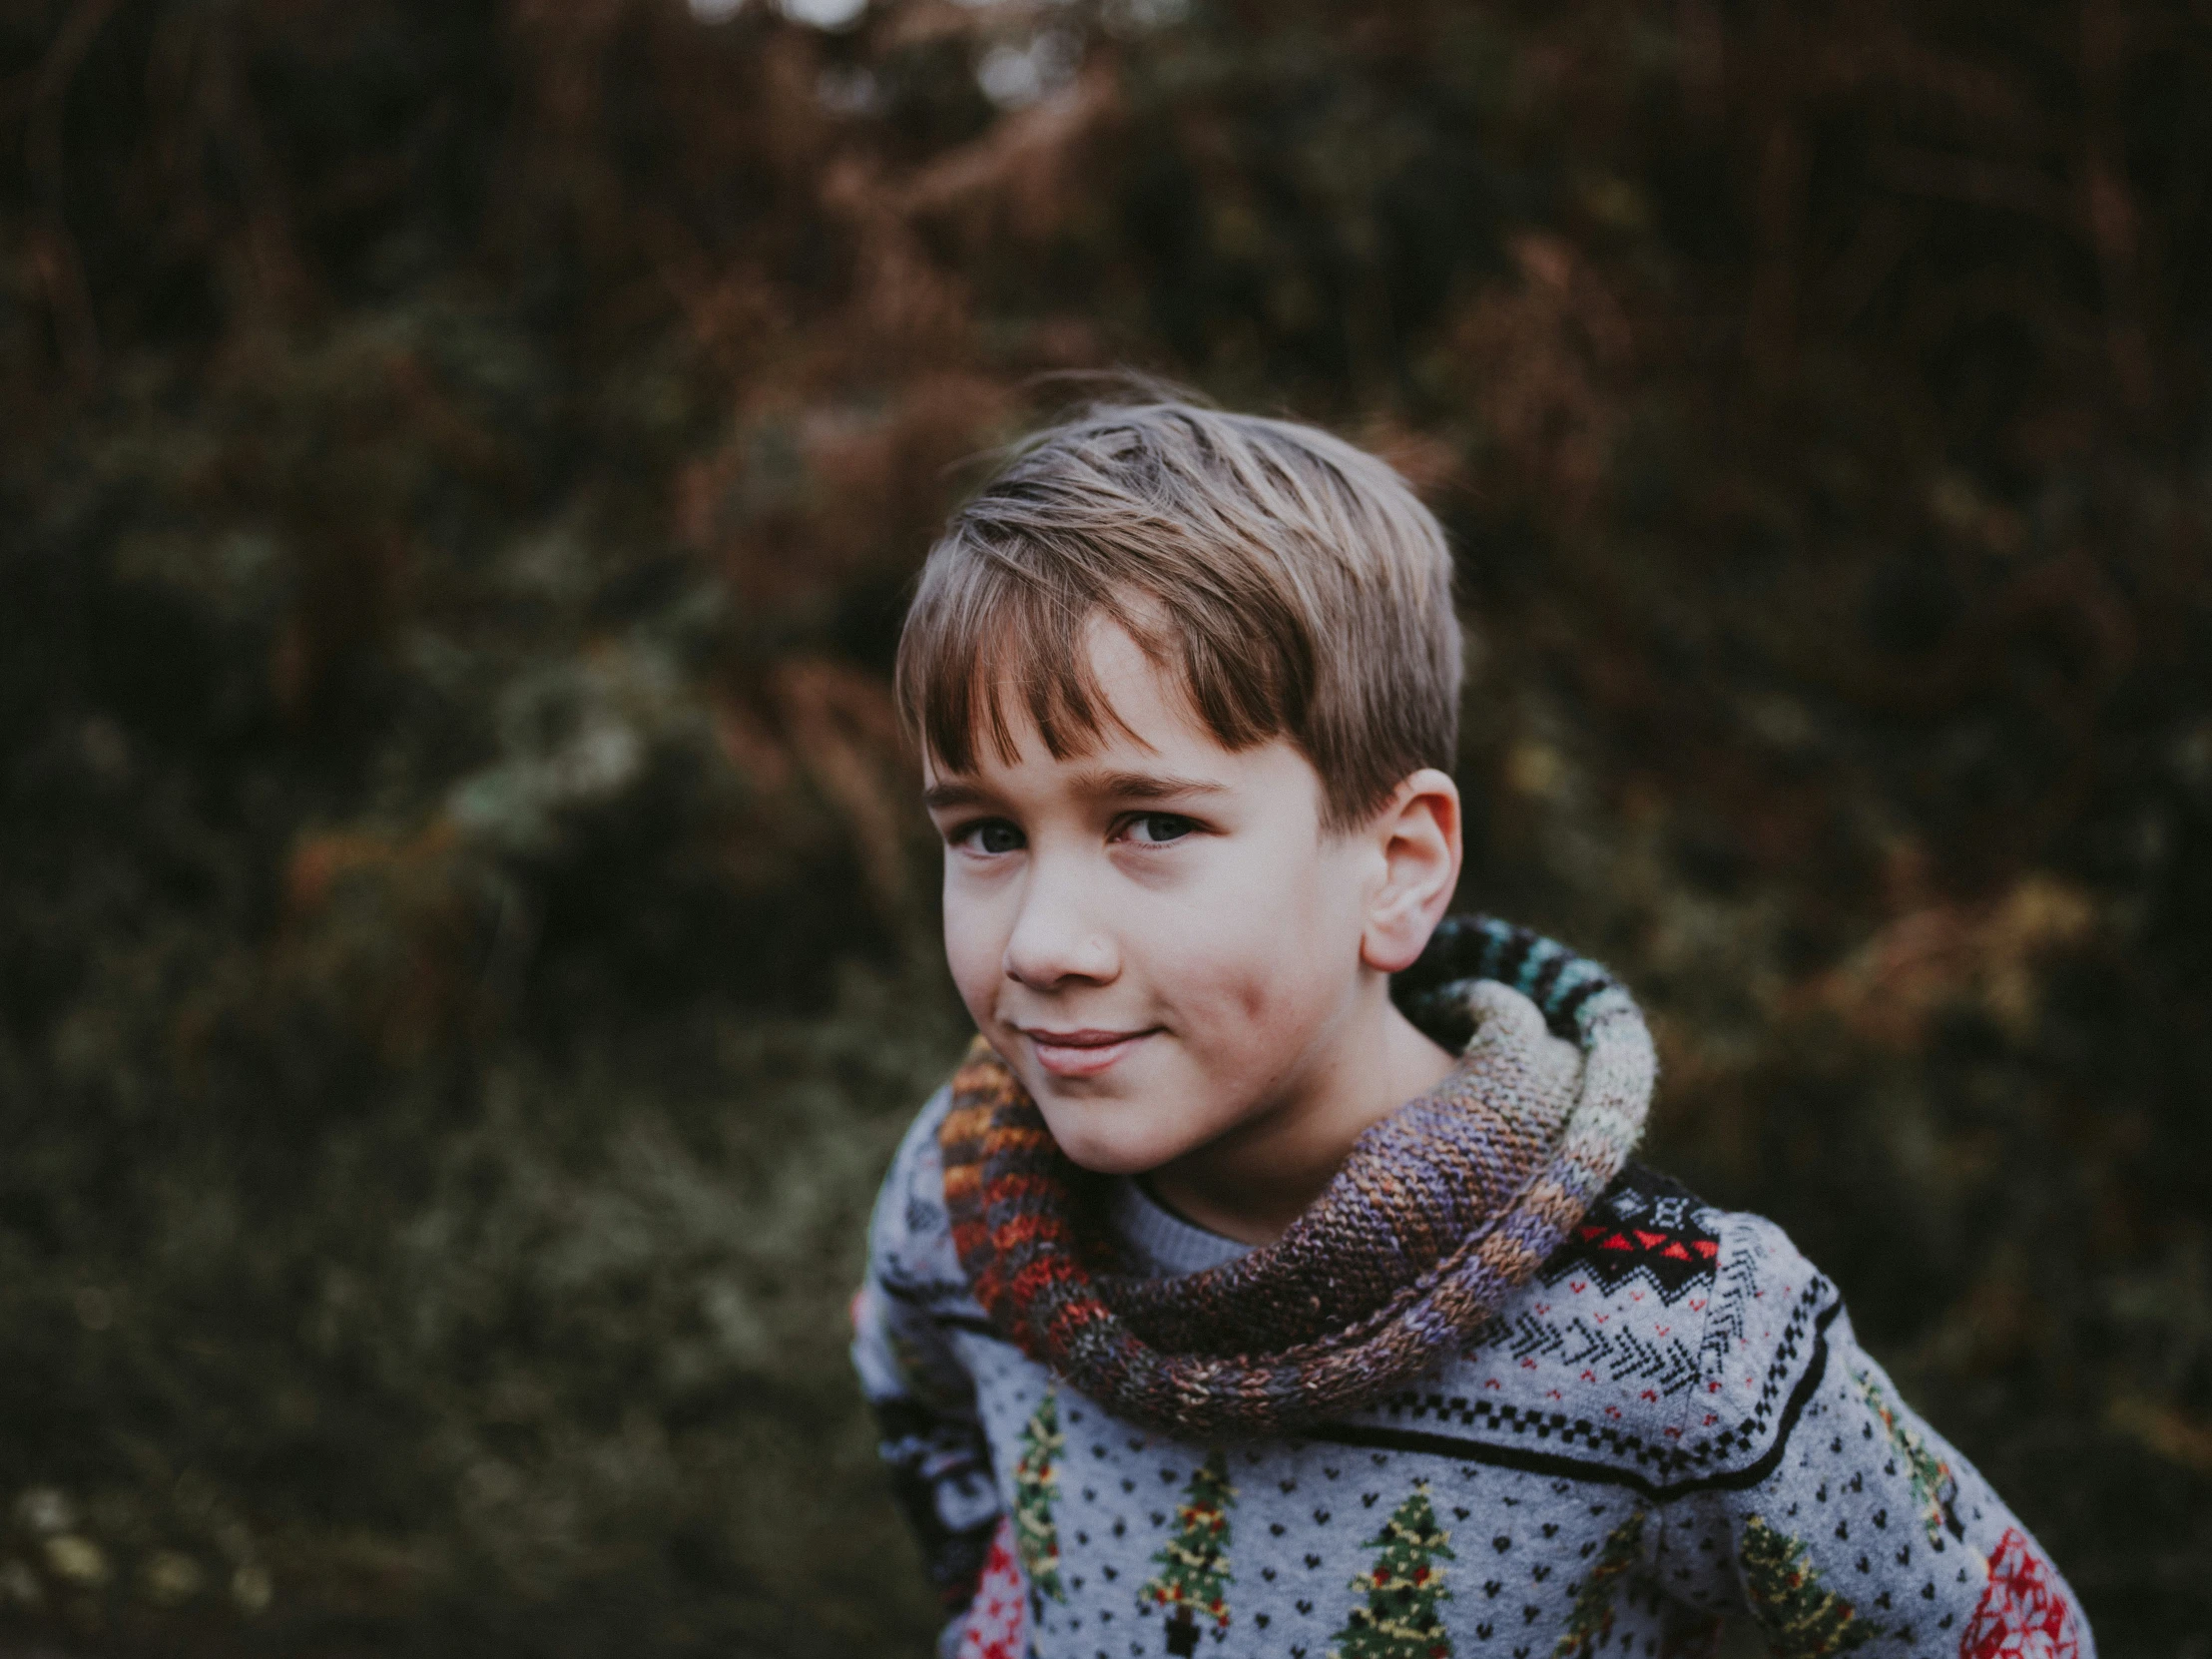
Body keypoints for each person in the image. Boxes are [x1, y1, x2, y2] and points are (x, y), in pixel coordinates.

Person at [849, 396, 2091, 1659]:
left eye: (1152, 825)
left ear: (1395, 867)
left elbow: (2003, 1637)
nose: (1043, 943)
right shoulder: (960, 1200)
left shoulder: (1685, 1340)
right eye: (986, 835)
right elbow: (928, 1423)